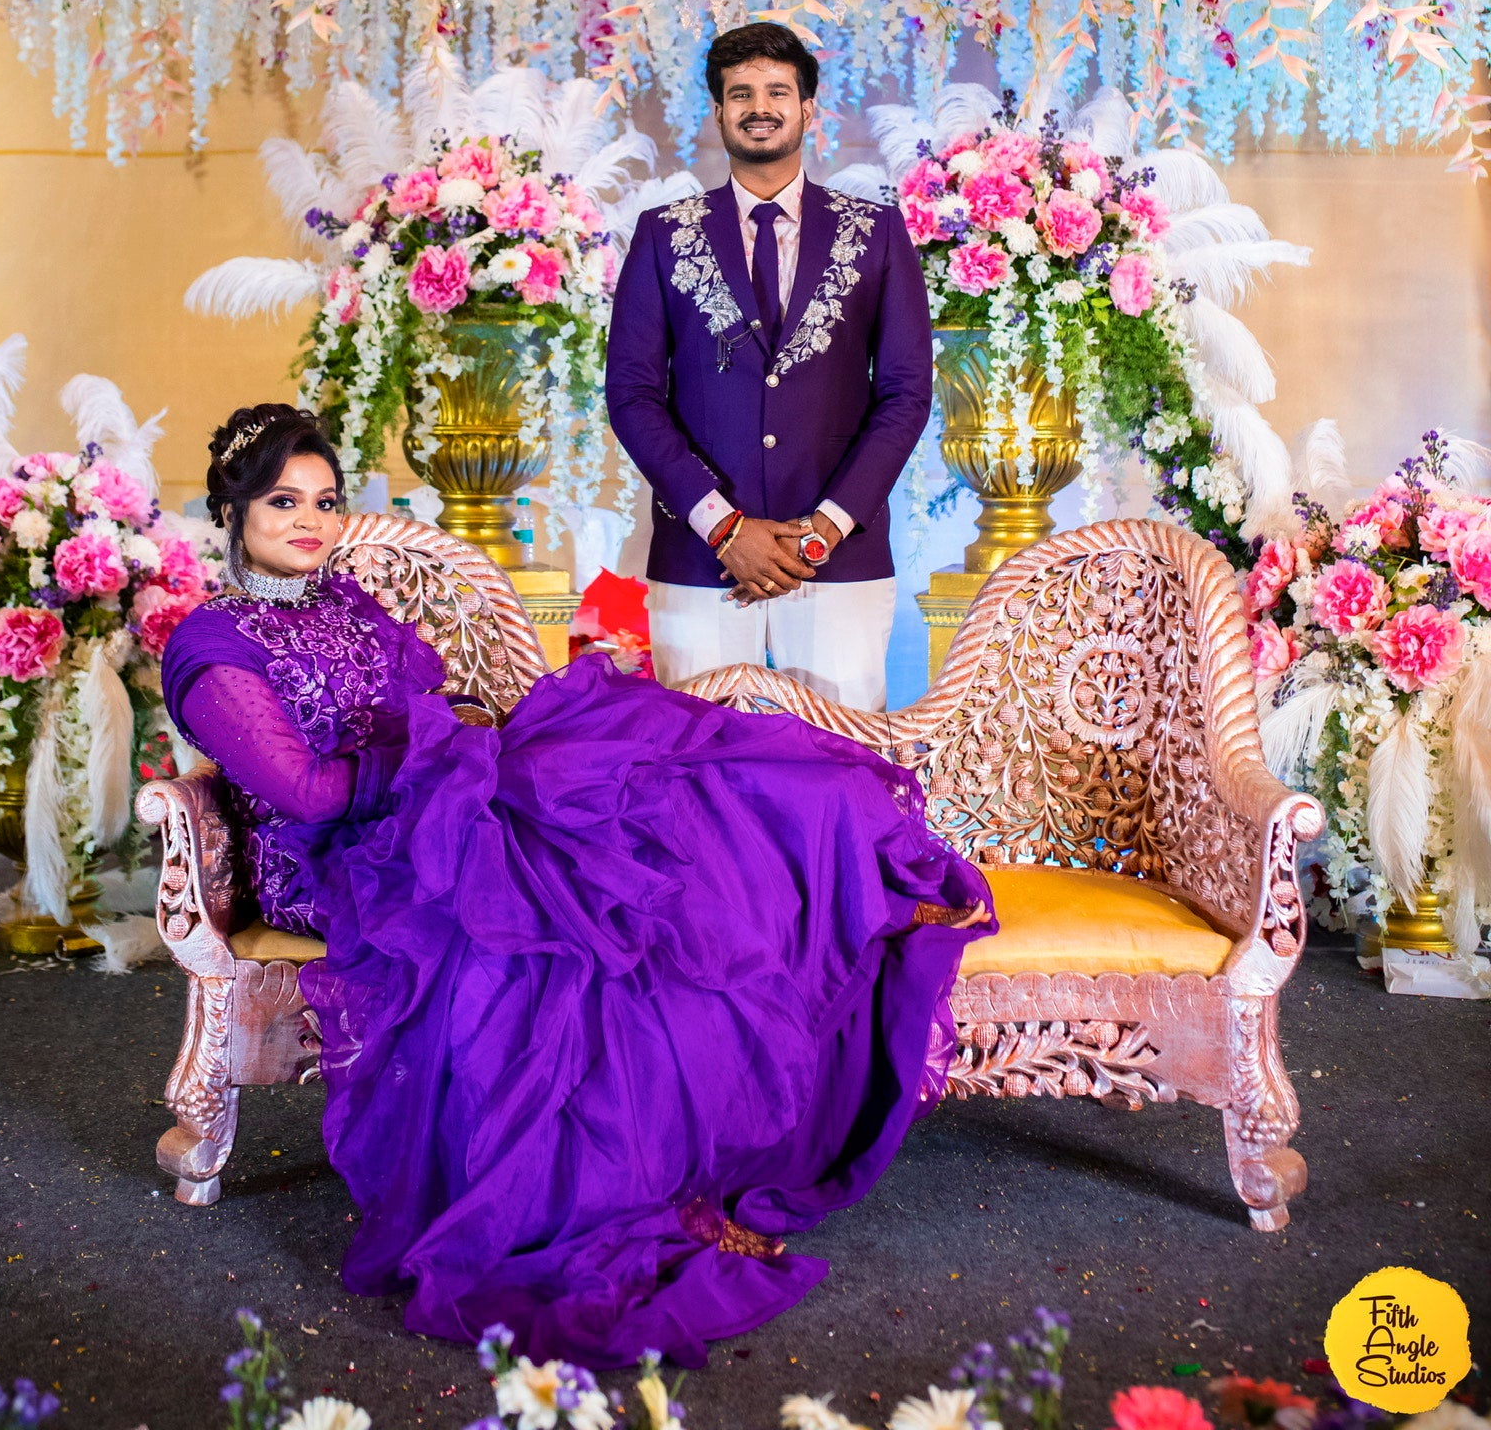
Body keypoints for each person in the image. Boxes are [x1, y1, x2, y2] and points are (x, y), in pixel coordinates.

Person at [162, 402, 994, 1370]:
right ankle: (603, 1203)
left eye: (325, 500)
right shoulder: (212, 647)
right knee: (556, 906)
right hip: (340, 861)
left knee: (656, 803)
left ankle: (865, 879)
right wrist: (438, 755)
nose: (310, 520)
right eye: (283, 501)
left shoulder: (341, 600)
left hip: (430, 802)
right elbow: (304, 791)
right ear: (233, 510)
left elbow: (423, 699)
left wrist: (456, 731)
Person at [606, 22, 932, 711]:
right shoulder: (664, 234)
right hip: (702, 559)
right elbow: (632, 395)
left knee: (842, 758)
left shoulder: (876, 232)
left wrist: (827, 527)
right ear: (718, 111)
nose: (760, 107)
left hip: (839, 559)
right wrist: (722, 527)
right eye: (741, 93)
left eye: (778, 92)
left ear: (808, 110)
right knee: (699, 759)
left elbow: (905, 394)